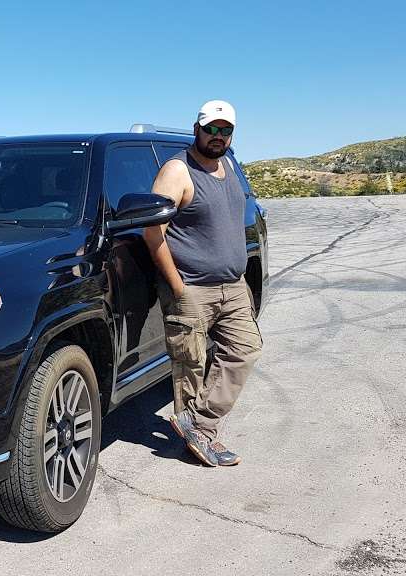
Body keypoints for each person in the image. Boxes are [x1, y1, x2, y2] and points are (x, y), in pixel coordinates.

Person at [143, 100, 263, 467]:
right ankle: (198, 442)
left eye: (225, 130)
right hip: (193, 288)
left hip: (233, 285)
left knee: (245, 350)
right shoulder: (177, 171)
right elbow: (153, 232)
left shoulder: (227, 165)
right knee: (191, 364)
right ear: (196, 129)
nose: (217, 136)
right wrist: (177, 286)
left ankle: (197, 423)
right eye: (211, 129)